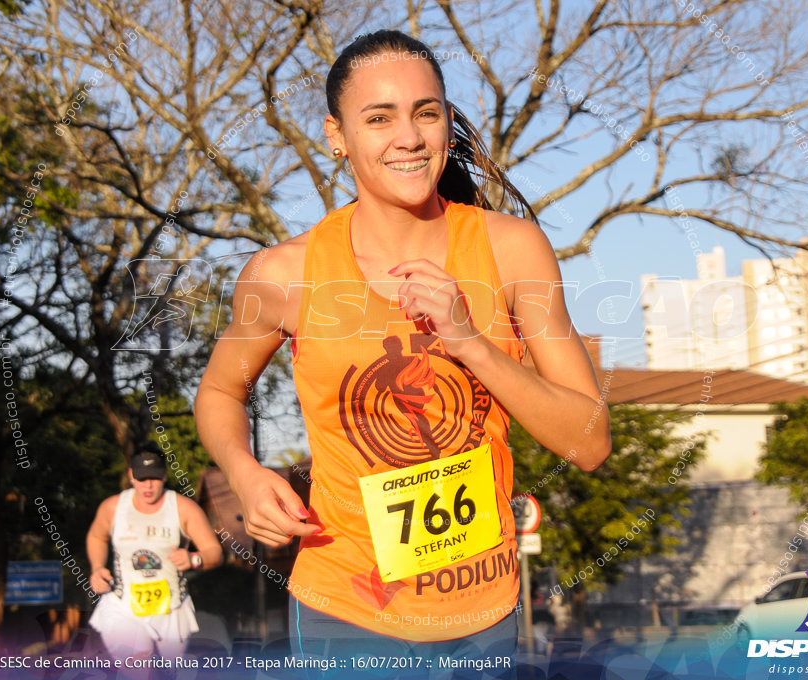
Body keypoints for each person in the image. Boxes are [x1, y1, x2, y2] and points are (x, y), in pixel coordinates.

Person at [195, 29, 611, 672]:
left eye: (426, 112)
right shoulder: (283, 275)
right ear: (337, 136)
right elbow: (220, 391)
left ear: (447, 121)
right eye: (379, 117)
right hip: (346, 603)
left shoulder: (512, 249)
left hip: (482, 610)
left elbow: (589, 441)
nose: (409, 137)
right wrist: (245, 474)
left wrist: (471, 342)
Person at [86, 442, 223, 666]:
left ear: (165, 475)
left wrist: (193, 559)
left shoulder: (183, 508)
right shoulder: (113, 508)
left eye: (155, 477)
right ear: (131, 475)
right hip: (124, 606)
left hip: (172, 607)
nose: (148, 486)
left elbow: (214, 553)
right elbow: (96, 537)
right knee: (139, 667)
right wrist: (97, 568)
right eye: (141, 478)